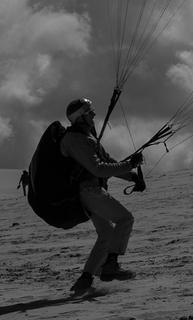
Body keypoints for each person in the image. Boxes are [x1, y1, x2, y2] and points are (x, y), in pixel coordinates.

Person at [60, 97, 143, 294]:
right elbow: (98, 169)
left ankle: (85, 279)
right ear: (80, 117)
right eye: (90, 112)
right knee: (125, 218)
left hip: (90, 192)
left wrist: (131, 176)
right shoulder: (74, 140)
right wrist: (129, 164)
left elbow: (107, 161)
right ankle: (110, 265)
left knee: (106, 233)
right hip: (89, 192)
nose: (94, 115)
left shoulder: (86, 138)